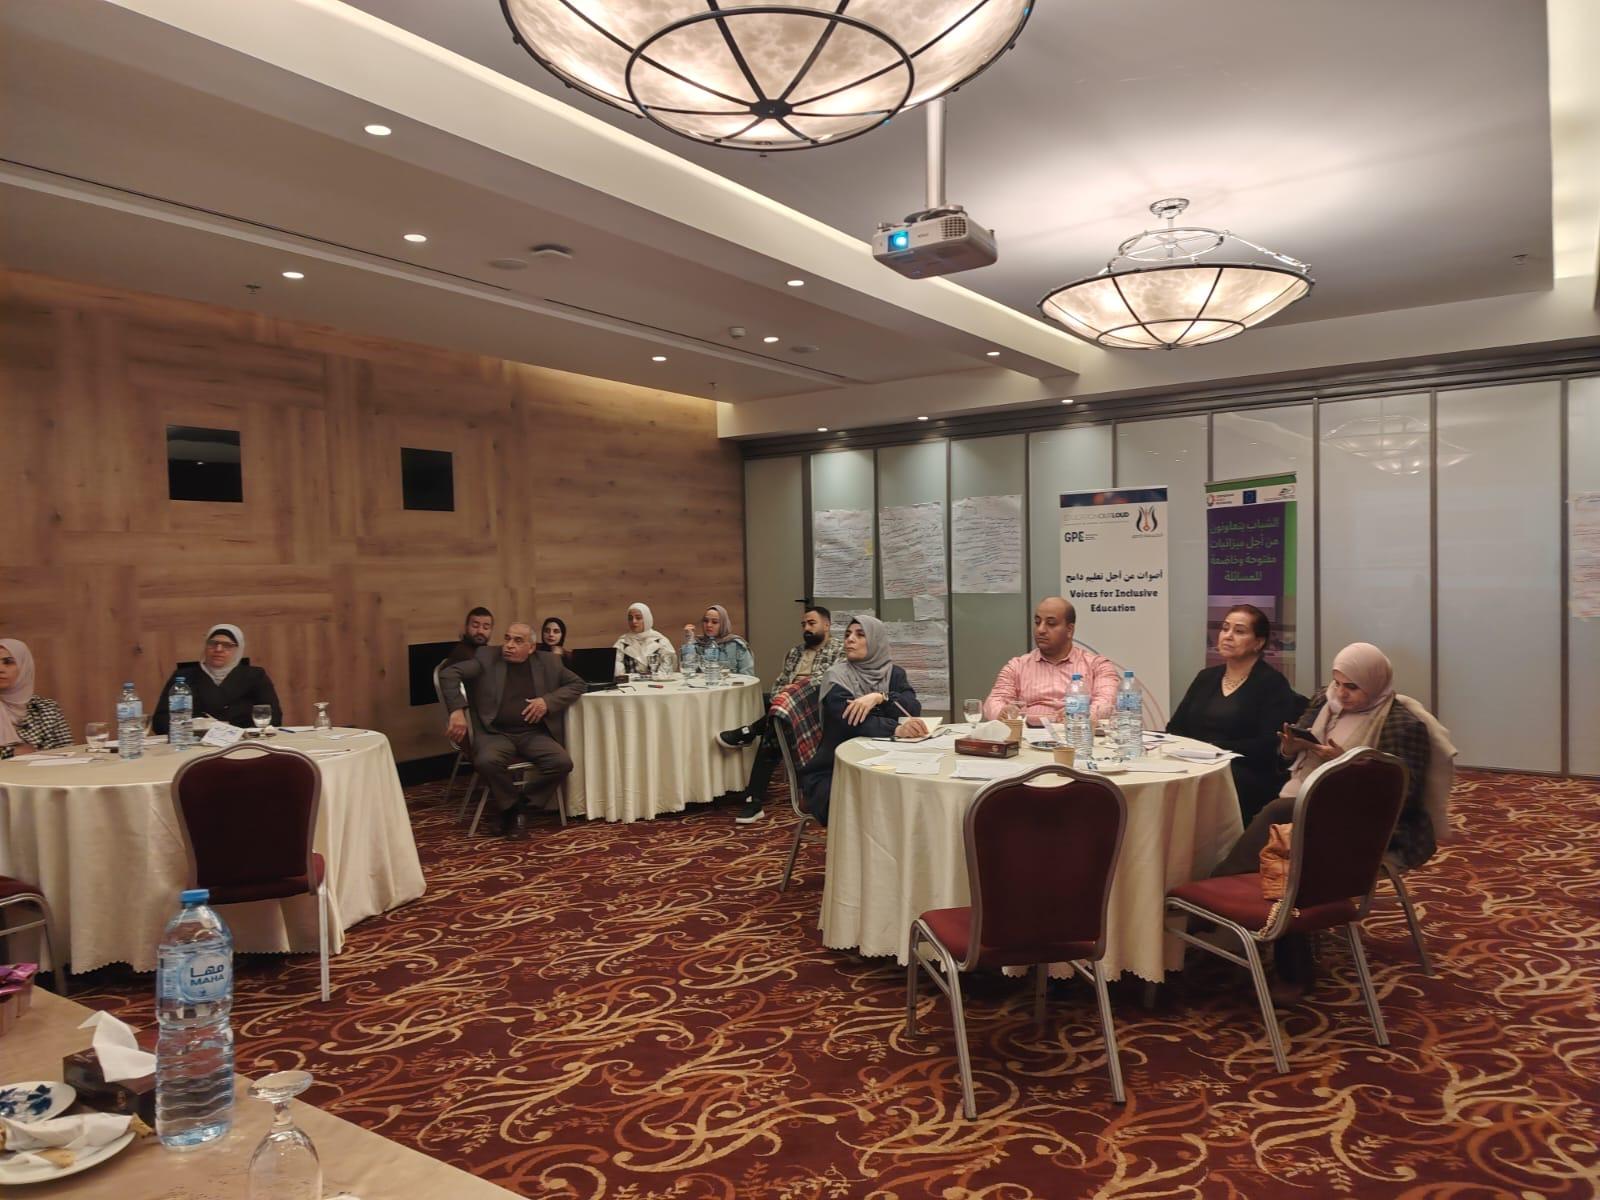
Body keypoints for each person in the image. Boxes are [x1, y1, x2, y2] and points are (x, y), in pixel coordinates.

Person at [1210, 641, 1436, 1001]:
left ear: (1375, 683)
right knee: (1287, 829)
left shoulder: (1402, 724)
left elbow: (1400, 796)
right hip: (1307, 805)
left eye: (1352, 687)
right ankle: (1233, 926)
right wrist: (1291, 747)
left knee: (1286, 833)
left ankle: (1215, 908)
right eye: (1337, 683)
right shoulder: (1324, 701)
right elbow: (1286, 755)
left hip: (1367, 823)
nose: (1341, 694)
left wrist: (1346, 764)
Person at [439, 622, 585, 840]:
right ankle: (513, 810)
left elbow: (578, 684)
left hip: (532, 733)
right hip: (495, 733)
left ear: (531, 647)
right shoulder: (487, 658)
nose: (509, 645)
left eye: (518, 641)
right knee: (487, 761)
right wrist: (457, 710)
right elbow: (449, 673)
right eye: (507, 638)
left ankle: (519, 807)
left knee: (561, 763)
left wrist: (547, 701)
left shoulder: (548, 662)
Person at [1167, 605, 1306, 823]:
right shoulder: (1206, 677)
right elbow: (1175, 728)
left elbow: (1268, 745)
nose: (1228, 636)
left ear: (1258, 643)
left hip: (1243, 771)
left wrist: (1213, 749)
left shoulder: (1271, 683)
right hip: (1195, 764)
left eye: (1239, 631)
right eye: (1225, 628)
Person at [716, 605, 842, 825]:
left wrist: (793, 692)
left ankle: (750, 733)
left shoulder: (839, 650)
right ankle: (754, 799)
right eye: (803, 624)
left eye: (812, 623)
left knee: (778, 718)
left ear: (827, 625)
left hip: (815, 709)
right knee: (776, 725)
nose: (806, 628)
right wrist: (781, 697)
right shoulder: (795, 652)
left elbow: (827, 682)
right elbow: (780, 682)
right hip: (786, 709)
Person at [797, 616, 925, 827]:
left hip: (889, 763)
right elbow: (851, 722)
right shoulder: (837, 677)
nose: (850, 639)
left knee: (914, 798)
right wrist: (896, 728)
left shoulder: (894, 673)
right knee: (882, 807)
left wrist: (879, 697)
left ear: (876, 641)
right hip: (837, 770)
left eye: (860, 634)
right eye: (847, 634)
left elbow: (912, 708)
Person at [982, 597, 1119, 722]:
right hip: (1029, 736)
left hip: (1077, 734)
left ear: (1069, 630)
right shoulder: (1017, 666)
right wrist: (1001, 712)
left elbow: (1106, 703)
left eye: (1051, 623)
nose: (1040, 630)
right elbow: (994, 701)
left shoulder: (1098, 665)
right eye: (1037, 622)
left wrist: (1082, 714)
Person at [151, 624, 282, 734]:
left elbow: (273, 717)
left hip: (243, 744)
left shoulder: (255, 676)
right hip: (195, 743)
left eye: (227, 645)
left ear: (238, 649)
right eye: (213, 643)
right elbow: (160, 722)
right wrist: (198, 725)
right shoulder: (183, 678)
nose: (218, 649)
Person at [0, 639, 72, 760]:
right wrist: (11, 752)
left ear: (24, 667)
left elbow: (68, 752)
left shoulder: (47, 708)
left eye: (8, 662)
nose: (0, 669)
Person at [681, 605, 756, 677]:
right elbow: (688, 670)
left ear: (723, 624)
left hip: (730, 685)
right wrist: (689, 640)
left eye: (714, 622)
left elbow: (748, 677)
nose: (709, 625)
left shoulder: (736, 645)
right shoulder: (697, 644)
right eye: (706, 621)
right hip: (702, 685)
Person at [613, 603, 677, 676]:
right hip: (631, 683)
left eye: (638, 618)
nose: (634, 621)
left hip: (656, 681)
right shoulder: (622, 642)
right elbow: (618, 673)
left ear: (647, 619)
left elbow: (667, 669)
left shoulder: (660, 641)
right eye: (630, 618)